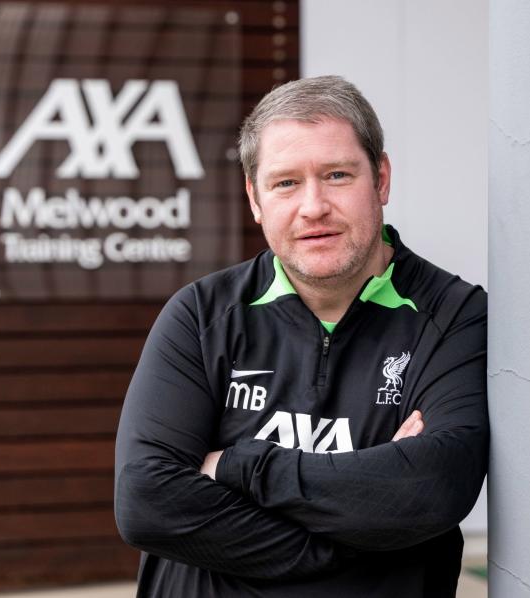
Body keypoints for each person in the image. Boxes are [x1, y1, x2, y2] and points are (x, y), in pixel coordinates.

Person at [114, 75, 488, 597]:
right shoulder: (201, 315)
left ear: (380, 178)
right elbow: (147, 501)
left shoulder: (454, 316)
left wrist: (238, 465)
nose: (313, 206)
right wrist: (357, 531)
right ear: (254, 197)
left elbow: (432, 488)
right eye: (286, 183)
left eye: (337, 175)